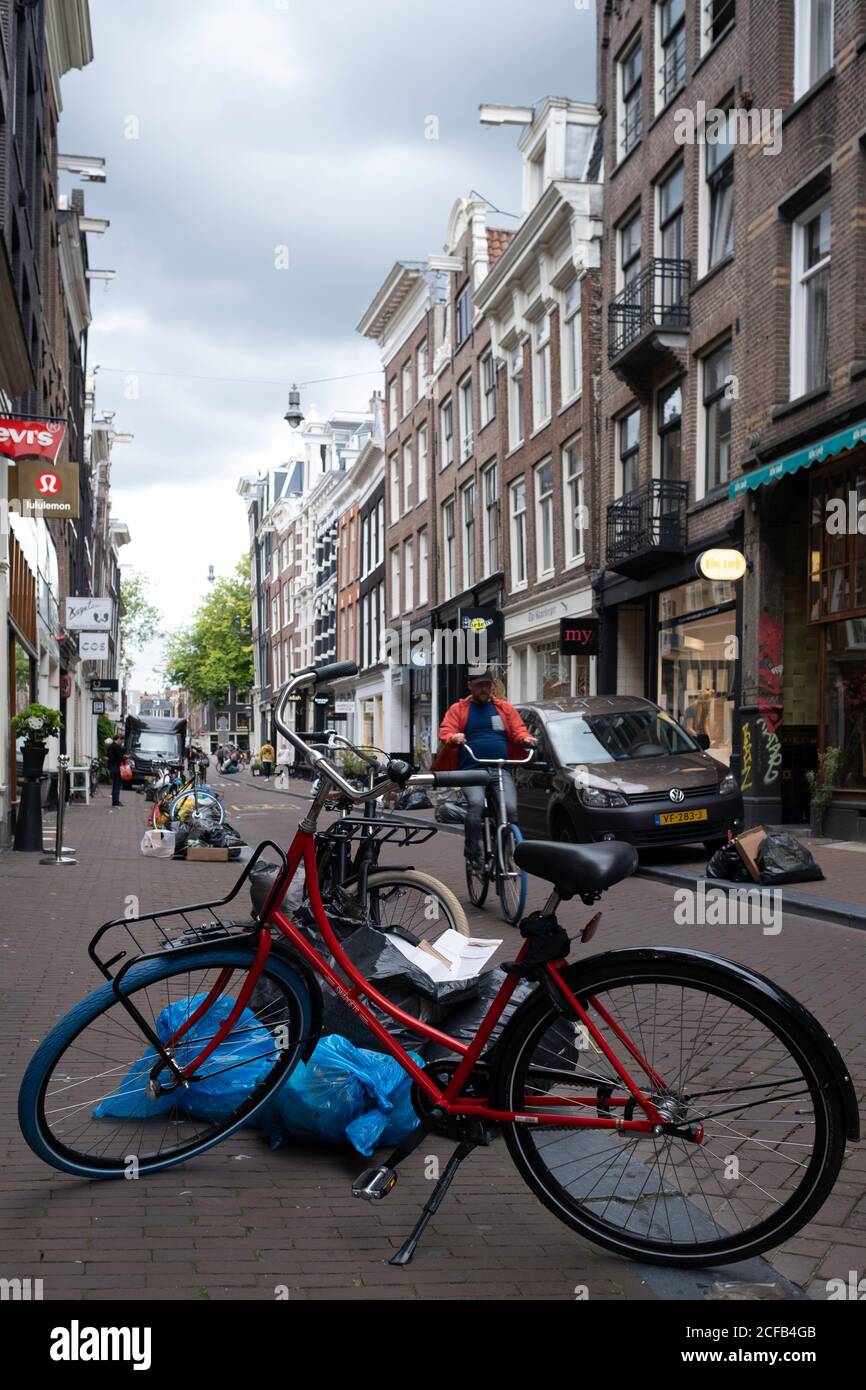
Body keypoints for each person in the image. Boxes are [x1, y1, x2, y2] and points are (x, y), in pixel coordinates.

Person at [436, 668, 536, 870]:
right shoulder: (459, 709)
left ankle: (506, 853)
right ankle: (473, 853)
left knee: (510, 809)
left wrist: (526, 739)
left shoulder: (504, 708)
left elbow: (518, 730)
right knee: (475, 804)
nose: (484, 689)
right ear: (470, 686)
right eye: (480, 685)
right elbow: (446, 730)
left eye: (487, 685)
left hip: (500, 769)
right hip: (472, 770)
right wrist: (453, 737)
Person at [106, 734, 125, 808]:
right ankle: (116, 801)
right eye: (122, 741)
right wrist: (125, 757)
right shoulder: (117, 747)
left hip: (111, 767)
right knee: (117, 785)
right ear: (119, 739)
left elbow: (108, 756)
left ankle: (115, 801)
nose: (122, 743)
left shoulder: (110, 746)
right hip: (117, 767)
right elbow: (121, 758)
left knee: (114, 785)